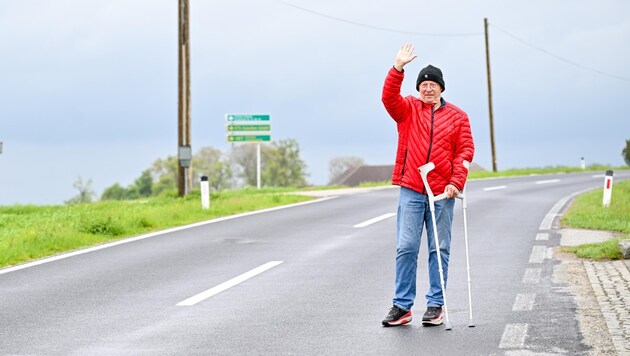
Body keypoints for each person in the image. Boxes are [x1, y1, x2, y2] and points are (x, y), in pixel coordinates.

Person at [381, 43, 475, 327]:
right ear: (419, 87)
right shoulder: (408, 108)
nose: (428, 88)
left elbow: (465, 152)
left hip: (442, 193)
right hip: (411, 188)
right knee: (406, 247)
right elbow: (388, 98)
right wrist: (397, 68)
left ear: (441, 88)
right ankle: (402, 306)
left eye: (433, 84)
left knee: (439, 249)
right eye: (424, 84)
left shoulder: (458, 117)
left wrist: (456, 183)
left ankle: (436, 305)